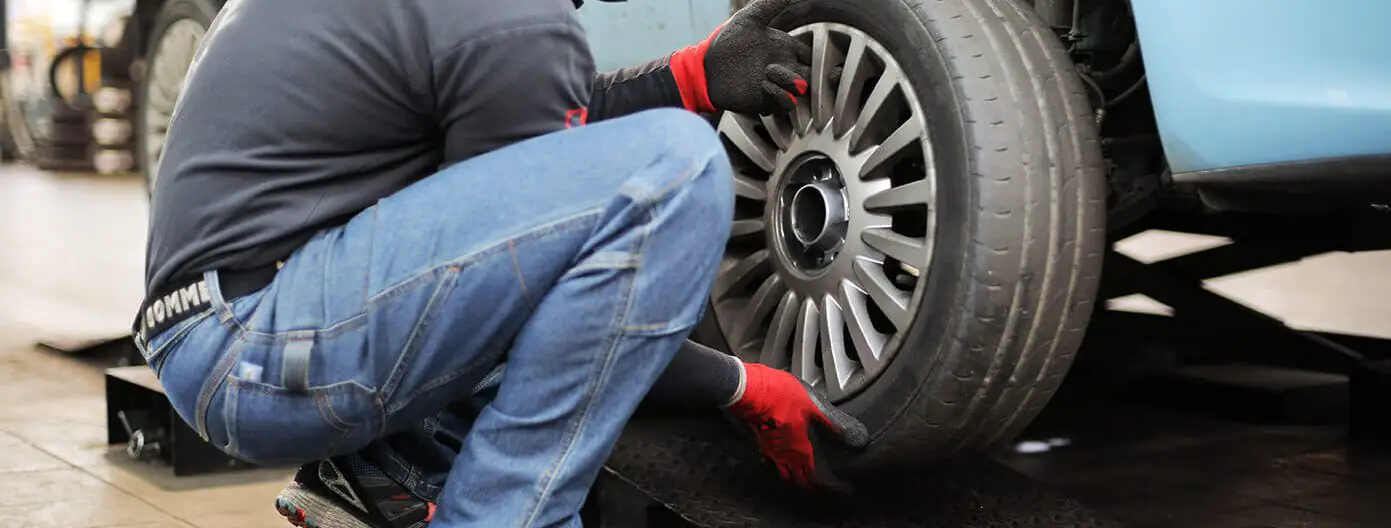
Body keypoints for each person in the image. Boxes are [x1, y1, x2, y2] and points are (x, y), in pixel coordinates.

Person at [133, 0, 867, 526]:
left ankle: (391, 473)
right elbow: (539, 284)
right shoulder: (517, 22)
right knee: (676, 170)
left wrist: (687, 77)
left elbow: (519, 156)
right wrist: (739, 385)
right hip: (263, 346)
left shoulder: (483, 22)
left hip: (230, 331)